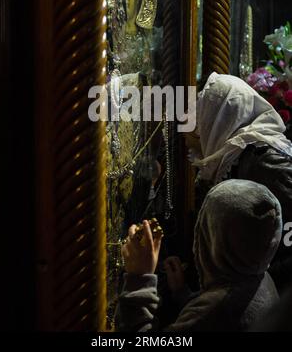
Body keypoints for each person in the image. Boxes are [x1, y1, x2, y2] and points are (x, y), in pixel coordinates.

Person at [116, 180, 282, 332]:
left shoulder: (217, 311)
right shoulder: (262, 279)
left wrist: (139, 279)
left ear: (211, 237)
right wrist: (183, 294)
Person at [186, 72, 292, 291]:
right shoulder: (235, 158)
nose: (190, 134)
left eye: (198, 122)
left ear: (219, 119)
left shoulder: (264, 163)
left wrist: (261, 282)